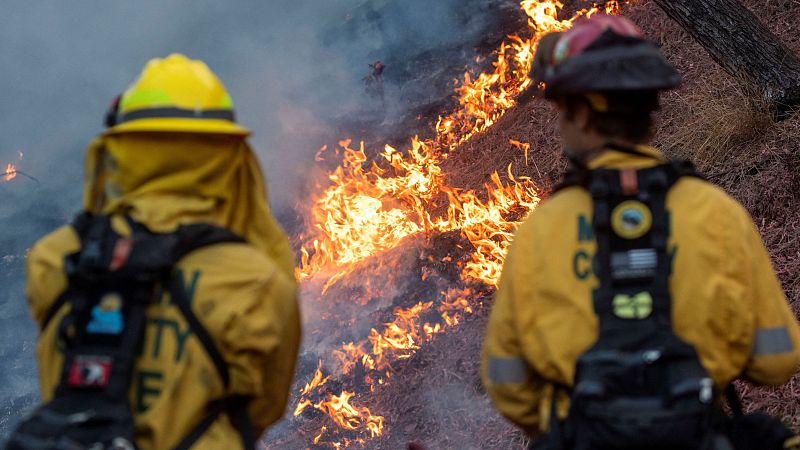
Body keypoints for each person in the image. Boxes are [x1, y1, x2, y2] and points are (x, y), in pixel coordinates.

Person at [482, 15, 800, 450]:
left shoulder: (540, 232)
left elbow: (508, 384)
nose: (559, 125)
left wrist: (571, 424)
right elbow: (777, 360)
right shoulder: (714, 212)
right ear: (649, 105)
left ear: (581, 113)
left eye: (561, 110)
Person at [21, 54, 300, 449]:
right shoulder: (254, 282)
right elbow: (262, 410)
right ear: (227, 155)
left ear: (120, 150)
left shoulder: (53, 258)